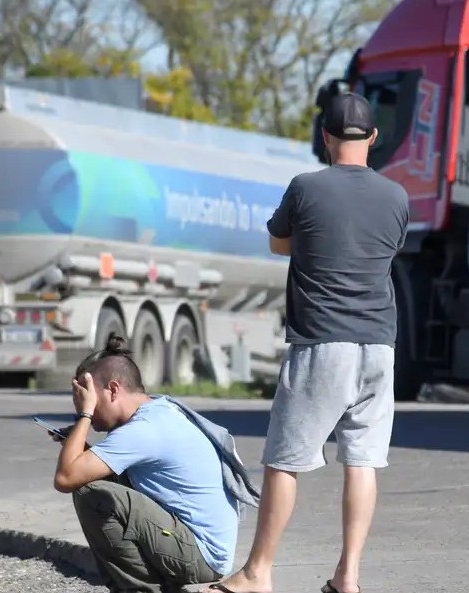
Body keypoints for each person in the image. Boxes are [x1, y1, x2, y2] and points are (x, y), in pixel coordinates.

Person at [212, 92, 409, 593]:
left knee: (284, 459)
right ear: (373, 137)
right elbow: (385, 249)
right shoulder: (396, 197)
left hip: (322, 341)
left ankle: (257, 573)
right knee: (362, 461)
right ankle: (349, 578)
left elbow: (279, 243)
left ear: (325, 137)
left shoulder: (305, 187)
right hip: (379, 345)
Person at [52, 336, 260, 593]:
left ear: (114, 390)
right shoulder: (159, 410)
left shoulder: (143, 430)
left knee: (91, 494)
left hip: (201, 554)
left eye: (89, 400)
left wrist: (84, 416)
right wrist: (80, 444)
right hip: (194, 543)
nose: (85, 409)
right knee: (97, 482)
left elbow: (66, 479)